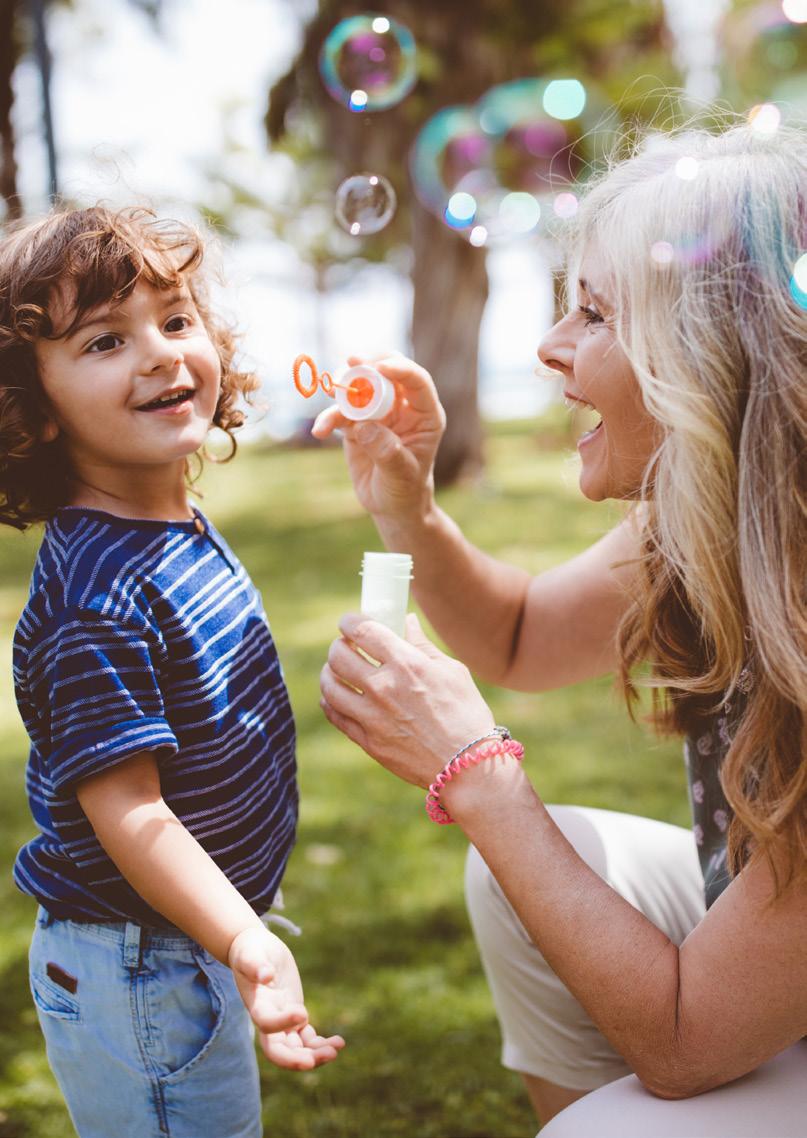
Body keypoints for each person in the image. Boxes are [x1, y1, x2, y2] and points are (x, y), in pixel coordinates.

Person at [315, 119, 807, 1135]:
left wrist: (477, 772)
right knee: (548, 868)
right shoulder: (707, 521)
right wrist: (410, 509)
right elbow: (522, 638)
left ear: (713, 356)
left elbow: (683, 1041)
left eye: (592, 314)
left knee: (606, 1125)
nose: (547, 348)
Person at [1, 205, 344, 1138]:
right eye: (107, 339)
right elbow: (131, 812)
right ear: (30, 406)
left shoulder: (171, 522)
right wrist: (246, 943)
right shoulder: (93, 600)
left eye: (177, 320)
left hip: (180, 940)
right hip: (138, 965)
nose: (160, 354)